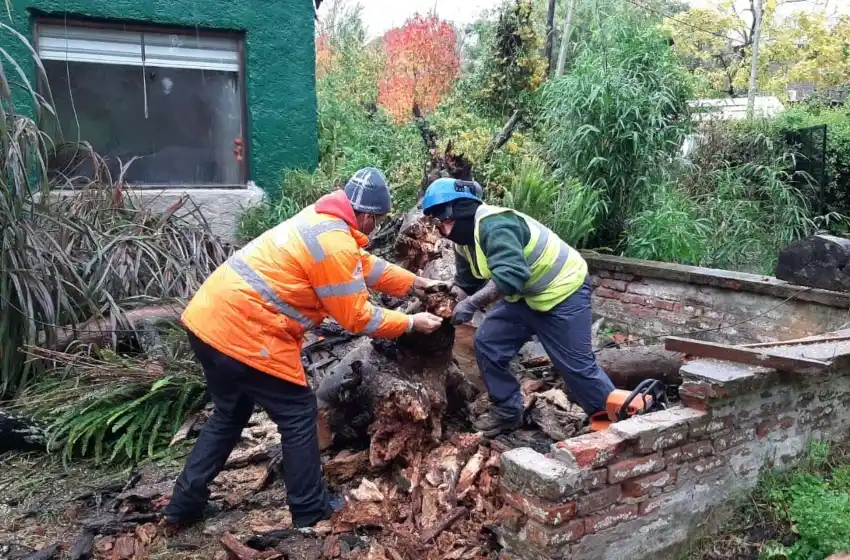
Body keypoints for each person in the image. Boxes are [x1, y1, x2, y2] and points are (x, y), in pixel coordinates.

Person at [163, 167, 445, 530]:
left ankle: (183, 506)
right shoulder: (334, 243)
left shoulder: (320, 221)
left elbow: (364, 266)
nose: (376, 227)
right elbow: (357, 318)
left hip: (208, 321)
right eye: (377, 220)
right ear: (368, 216)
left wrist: (416, 283)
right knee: (298, 414)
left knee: (230, 413)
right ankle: (310, 510)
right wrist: (410, 322)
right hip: (246, 332)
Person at [421, 177, 616, 436]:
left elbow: (509, 276)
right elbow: (465, 283)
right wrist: (439, 302)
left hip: (564, 291)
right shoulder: (464, 243)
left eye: (446, 221)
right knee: (488, 342)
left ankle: (613, 423)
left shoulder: (495, 225)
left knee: (577, 366)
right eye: (439, 224)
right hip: (526, 296)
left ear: (462, 210)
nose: (444, 231)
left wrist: (471, 303)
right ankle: (508, 411)